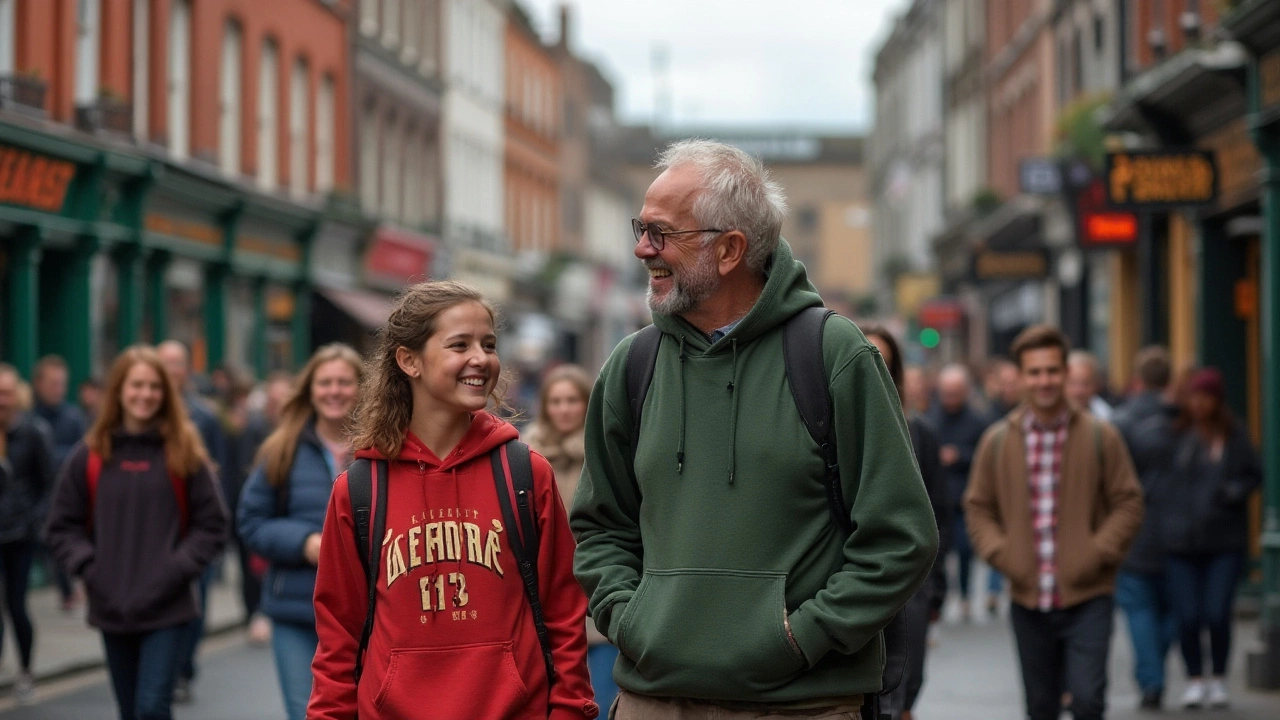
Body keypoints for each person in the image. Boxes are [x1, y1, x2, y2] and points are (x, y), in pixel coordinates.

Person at [571, 139, 938, 719]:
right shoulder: (631, 365)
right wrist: (633, 619)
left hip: (802, 705)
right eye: (641, 227)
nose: (642, 249)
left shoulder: (833, 354)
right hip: (654, 699)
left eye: (663, 233)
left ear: (729, 250)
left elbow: (901, 538)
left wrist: (803, 637)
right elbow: (598, 528)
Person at [308, 280, 595, 720]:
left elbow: (563, 614)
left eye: (489, 344)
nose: (480, 358)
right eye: (459, 345)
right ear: (409, 360)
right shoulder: (360, 490)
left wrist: (571, 711)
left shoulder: (524, 472)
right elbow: (338, 638)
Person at [964, 325, 1143, 720]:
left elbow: (1127, 501)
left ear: (1065, 373)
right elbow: (978, 507)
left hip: (1088, 595)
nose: (1044, 381)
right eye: (1034, 372)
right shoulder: (997, 440)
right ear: (1021, 378)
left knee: (1088, 700)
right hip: (1028, 598)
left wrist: (1098, 551)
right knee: (1041, 707)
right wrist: (1003, 554)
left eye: (1051, 371)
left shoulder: (1102, 436)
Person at [44, 345, 228, 720]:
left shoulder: (184, 452)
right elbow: (61, 526)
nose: (145, 395)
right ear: (119, 391)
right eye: (136, 385)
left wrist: (175, 569)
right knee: (129, 711)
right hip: (112, 605)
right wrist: (92, 569)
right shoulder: (90, 455)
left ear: (166, 393)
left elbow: (213, 525)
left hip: (168, 605)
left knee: (151, 708)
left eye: (154, 387)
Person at [237, 344, 362, 720]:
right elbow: (251, 521)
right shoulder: (282, 450)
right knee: (306, 713)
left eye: (344, 382)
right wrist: (303, 542)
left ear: (362, 389)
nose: (334, 391)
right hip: (295, 610)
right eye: (325, 382)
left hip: (364, 616)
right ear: (310, 389)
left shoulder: (381, 449)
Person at [861, 327, 948, 720]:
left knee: (902, 690)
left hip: (910, 584)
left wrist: (937, 589)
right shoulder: (820, 426)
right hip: (847, 583)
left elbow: (936, 513)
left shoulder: (919, 434)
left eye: (882, 361)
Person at [1160, 367, 1259, 710]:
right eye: (1195, 396)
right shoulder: (1174, 433)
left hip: (1223, 541)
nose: (1200, 404)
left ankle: (1217, 677)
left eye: (1207, 397)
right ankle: (1194, 679)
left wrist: (1232, 492)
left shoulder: (1234, 435)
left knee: (1217, 613)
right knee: (1187, 616)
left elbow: (1253, 474)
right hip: (1181, 542)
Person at [522, 364, 617, 708]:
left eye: (572, 400)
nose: (564, 409)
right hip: (547, 593)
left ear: (586, 404)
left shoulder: (606, 453)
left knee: (603, 699)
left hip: (598, 589)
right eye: (556, 401)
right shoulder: (525, 459)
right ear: (545, 406)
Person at [155, 340, 226, 703]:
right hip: (155, 531)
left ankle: (184, 668)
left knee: (194, 604)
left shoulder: (205, 417)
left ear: (187, 370)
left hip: (195, 529)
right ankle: (162, 671)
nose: (170, 370)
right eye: (163, 363)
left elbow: (218, 474)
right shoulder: (144, 413)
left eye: (176, 364)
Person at [1110, 346, 1178, 709]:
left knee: (1140, 610)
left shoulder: (1120, 423)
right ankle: (1155, 671)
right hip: (1178, 530)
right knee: (1171, 607)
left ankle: (1151, 678)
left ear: (1137, 379)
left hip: (1134, 529)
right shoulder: (1180, 421)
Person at [0, 364, 56, 703]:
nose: (1, 400)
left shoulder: (34, 432)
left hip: (20, 535)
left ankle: (25, 671)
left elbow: (50, 483)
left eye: (6, 393)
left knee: (17, 605)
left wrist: (35, 522)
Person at [925, 363, 991, 621]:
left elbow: (985, 457)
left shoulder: (977, 421)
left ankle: (964, 593)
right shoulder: (931, 417)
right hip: (938, 499)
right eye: (946, 393)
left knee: (965, 549)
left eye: (955, 393)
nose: (950, 399)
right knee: (939, 551)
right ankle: (940, 596)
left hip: (966, 497)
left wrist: (960, 455)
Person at [234, 370, 295, 646]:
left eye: (284, 399)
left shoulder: (303, 434)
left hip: (289, 515)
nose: (278, 406)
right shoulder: (254, 430)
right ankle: (257, 613)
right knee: (253, 568)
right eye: (274, 400)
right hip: (260, 512)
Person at [31, 355, 89, 613]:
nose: (58, 389)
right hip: (34, 497)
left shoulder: (73, 417)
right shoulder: (29, 418)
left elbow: (83, 454)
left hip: (65, 496)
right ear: (38, 383)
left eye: (62, 383)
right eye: (53, 383)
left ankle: (68, 589)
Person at [1067, 351, 1113, 422]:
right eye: (1073, 383)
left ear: (1096, 385)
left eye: (1085, 384)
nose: (1079, 391)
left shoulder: (1106, 417)